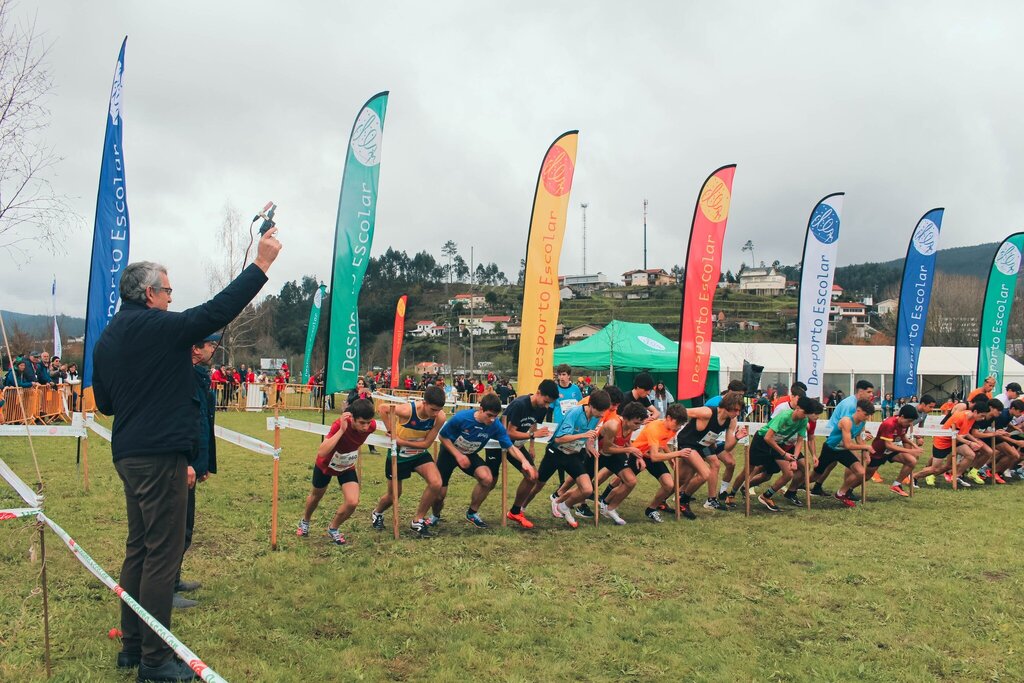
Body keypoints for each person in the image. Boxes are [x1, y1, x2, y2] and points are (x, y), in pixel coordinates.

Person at [92, 227, 280, 682]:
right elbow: (214, 312)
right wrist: (262, 265)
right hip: (159, 456)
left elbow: (105, 405)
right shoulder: (155, 327)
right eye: (169, 292)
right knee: (162, 553)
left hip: (128, 453)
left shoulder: (108, 337)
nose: (172, 300)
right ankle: (156, 661)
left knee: (139, 547)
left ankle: (132, 646)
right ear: (149, 293)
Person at [432, 393, 535, 529]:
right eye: (489, 415)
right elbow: (442, 437)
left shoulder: (496, 425)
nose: (492, 419)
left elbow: (510, 446)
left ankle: (472, 513)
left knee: (487, 478)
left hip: (469, 454)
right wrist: (458, 455)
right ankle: (435, 515)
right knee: (439, 495)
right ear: (480, 409)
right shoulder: (461, 418)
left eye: (495, 416)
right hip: (450, 453)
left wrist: (524, 461)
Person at [174, 334, 221, 610]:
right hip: (182, 467)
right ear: (195, 349)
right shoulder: (185, 378)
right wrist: (188, 464)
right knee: (177, 530)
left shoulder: (200, 377)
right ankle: (165, 588)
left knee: (185, 529)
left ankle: (174, 578)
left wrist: (204, 465)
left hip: (192, 465)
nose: (213, 348)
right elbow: (187, 424)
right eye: (209, 345)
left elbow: (205, 425)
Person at [297, 399, 377, 546]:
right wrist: (342, 430)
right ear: (351, 417)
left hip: (346, 466)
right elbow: (322, 451)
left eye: (368, 422)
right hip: (326, 465)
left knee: (352, 502)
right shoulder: (338, 425)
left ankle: (333, 528)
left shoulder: (372, 426)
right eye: (361, 423)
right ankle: (305, 521)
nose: (366, 427)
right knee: (315, 497)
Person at [372, 386, 447, 537]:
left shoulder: (440, 417)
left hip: (419, 453)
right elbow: (383, 408)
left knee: (436, 483)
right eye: (433, 409)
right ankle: (377, 513)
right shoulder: (408, 411)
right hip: (399, 455)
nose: (436, 413)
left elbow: (427, 444)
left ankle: (417, 520)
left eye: (439, 410)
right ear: (424, 403)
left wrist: (401, 441)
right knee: (394, 494)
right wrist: (391, 432)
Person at [481, 380, 558, 528]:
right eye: (546, 401)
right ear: (539, 393)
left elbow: (533, 424)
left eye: (550, 403)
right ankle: (473, 511)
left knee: (532, 476)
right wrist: (532, 436)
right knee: (490, 481)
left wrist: (532, 446)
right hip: (498, 443)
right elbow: (509, 433)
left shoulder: (541, 408)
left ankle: (515, 511)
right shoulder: (520, 404)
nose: (547, 406)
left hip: (517, 444)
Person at [742, 396, 821, 512]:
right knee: (763, 473)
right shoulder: (783, 412)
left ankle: (780, 493)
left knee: (799, 468)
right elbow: (769, 434)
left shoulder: (805, 420)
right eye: (814, 414)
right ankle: (742, 488)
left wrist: (794, 459)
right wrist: (784, 454)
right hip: (771, 444)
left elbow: (802, 440)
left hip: (784, 447)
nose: (816, 417)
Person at [676, 392, 745, 516]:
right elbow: (681, 412)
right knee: (698, 474)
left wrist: (737, 437)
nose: (737, 414)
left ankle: (711, 500)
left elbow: (728, 447)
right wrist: (671, 427)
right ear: (727, 405)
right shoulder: (708, 412)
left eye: (739, 411)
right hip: (688, 442)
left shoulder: (731, 421)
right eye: (736, 410)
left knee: (715, 463)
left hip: (704, 445)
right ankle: (682, 498)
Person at [913, 397, 995, 489]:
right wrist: (970, 443)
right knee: (934, 468)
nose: (983, 418)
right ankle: (914, 476)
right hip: (943, 441)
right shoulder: (960, 417)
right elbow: (955, 435)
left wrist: (975, 441)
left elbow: (965, 432)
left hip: (955, 440)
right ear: (975, 412)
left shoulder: (972, 418)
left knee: (970, 455)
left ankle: (956, 476)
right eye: (982, 416)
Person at [810, 399, 876, 507]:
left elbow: (859, 439)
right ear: (858, 410)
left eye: (869, 415)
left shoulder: (862, 422)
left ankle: (841, 493)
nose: (867, 418)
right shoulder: (846, 421)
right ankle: (794, 486)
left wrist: (865, 454)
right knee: (814, 477)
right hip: (830, 449)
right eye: (866, 415)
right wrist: (866, 447)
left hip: (842, 451)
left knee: (861, 472)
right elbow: (848, 445)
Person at [593, 401, 650, 524]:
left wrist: (638, 456)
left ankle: (610, 508)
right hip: (598, 453)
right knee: (583, 485)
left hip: (615, 454)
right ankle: (560, 499)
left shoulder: (630, 426)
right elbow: (606, 449)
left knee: (631, 481)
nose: (638, 427)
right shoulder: (614, 425)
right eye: (636, 423)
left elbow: (627, 442)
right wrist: (629, 449)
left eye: (640, 424)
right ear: (626, 418)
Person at [865, 404, 923, 497]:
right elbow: (889, 445)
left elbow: (903, 435)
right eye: (909, 421)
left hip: (891, 451)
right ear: (902, 416)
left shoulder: (904, 423)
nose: (910, 423)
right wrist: (911, 451)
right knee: (867, 476)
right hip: (878, 451)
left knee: (911, 461)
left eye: (911, 422)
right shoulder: (889, 423)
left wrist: (914, 445)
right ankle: (847, 489)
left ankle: (896, 485)